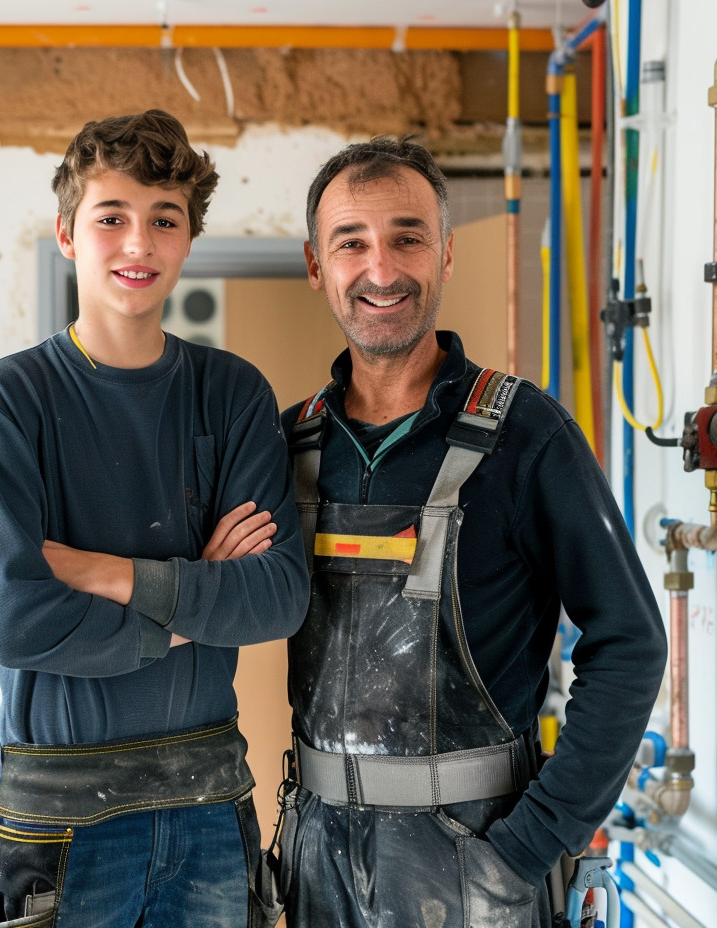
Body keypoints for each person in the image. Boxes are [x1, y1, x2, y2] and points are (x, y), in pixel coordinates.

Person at [272, 135, 667, 927]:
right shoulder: (291, 445)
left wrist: (528, 847)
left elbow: (630, 644)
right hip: (318, 861)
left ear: (447, 254)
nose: (381, 269)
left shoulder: (528, 437)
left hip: (477, 861)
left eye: (408, 238)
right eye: (351, 243)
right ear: (317, 265)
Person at [0, 109, 308, 928]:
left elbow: (277, 598)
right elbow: (16, 621)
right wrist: (199, 595)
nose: (138, 243)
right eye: (111, 218)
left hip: (209, 800)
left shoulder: (233, 394)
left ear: (188, 240)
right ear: (67, 234)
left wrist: (99, 572)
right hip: (58, 814)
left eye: (164, 220)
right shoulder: (8, 402)